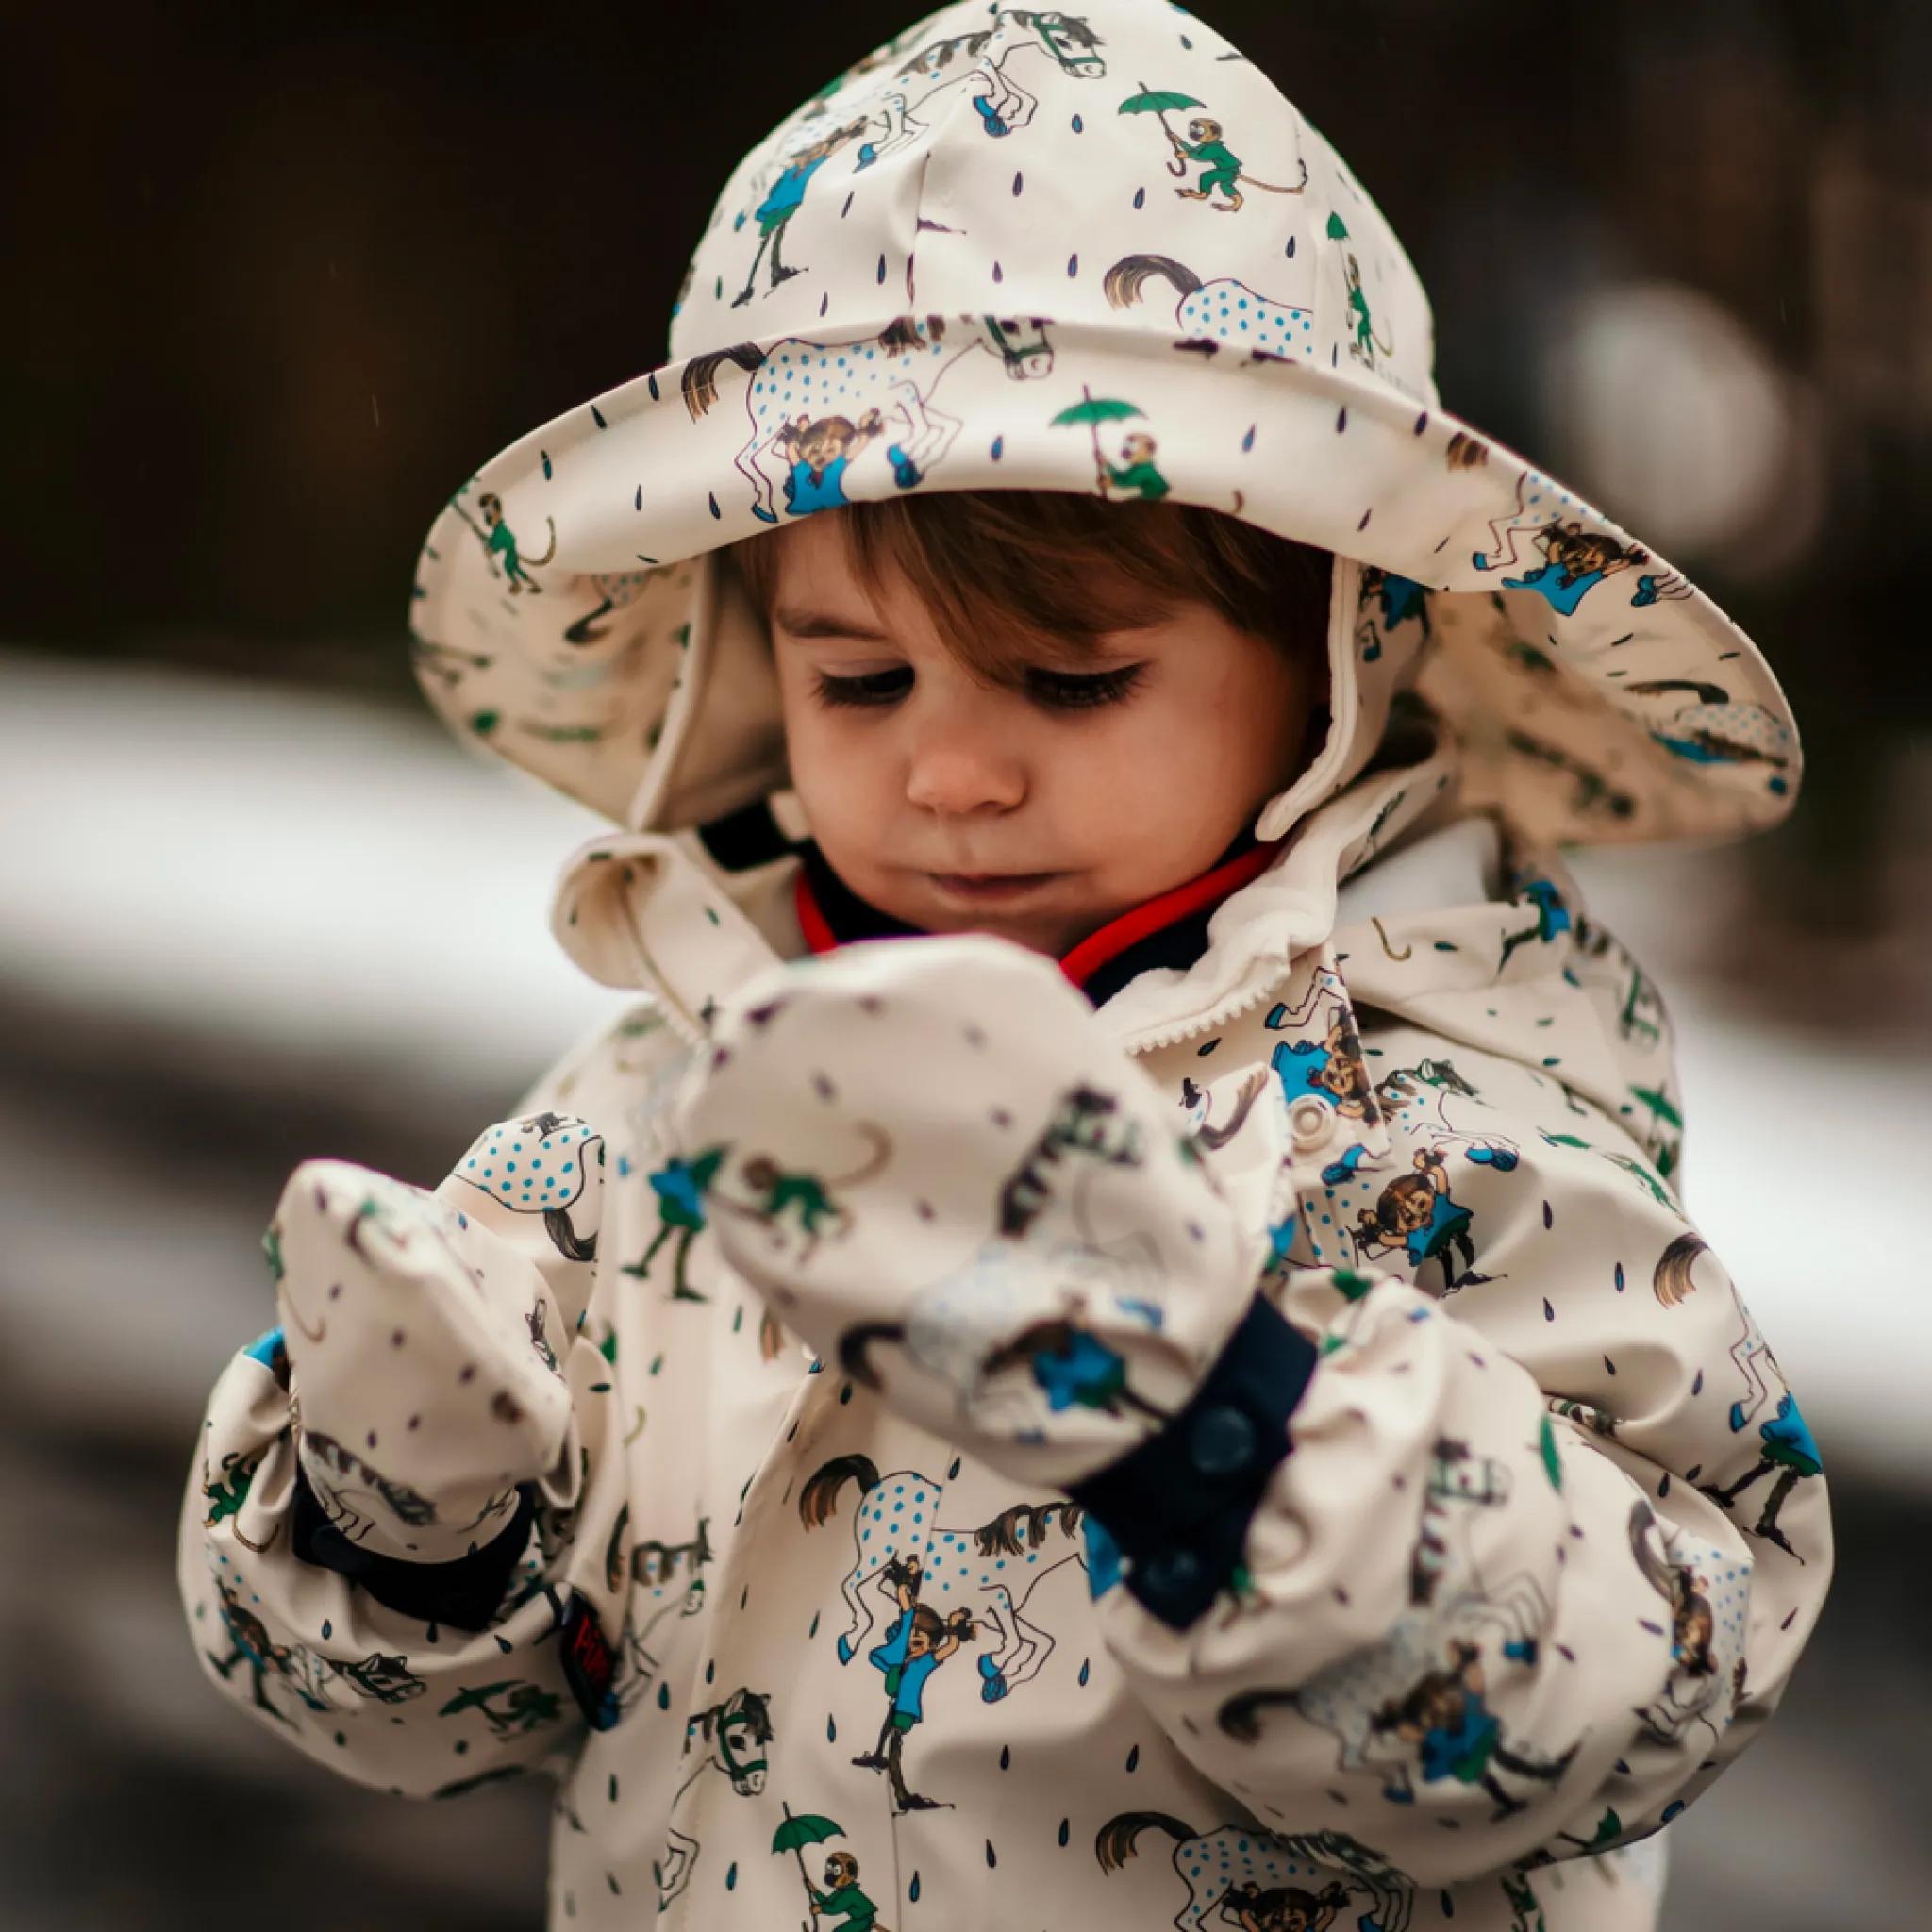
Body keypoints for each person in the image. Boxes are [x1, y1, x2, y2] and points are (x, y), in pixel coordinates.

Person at [178, 4, 1827, 1929]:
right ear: (744, 657)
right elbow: (434, 1718)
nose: (950, 772)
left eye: (1074, 680)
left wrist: (1220, 1427)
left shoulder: (1429, 1100)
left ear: (1333, 645)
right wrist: (409, 1531)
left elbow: (1655, 1665)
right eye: (856, 680)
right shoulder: (659, 1111)